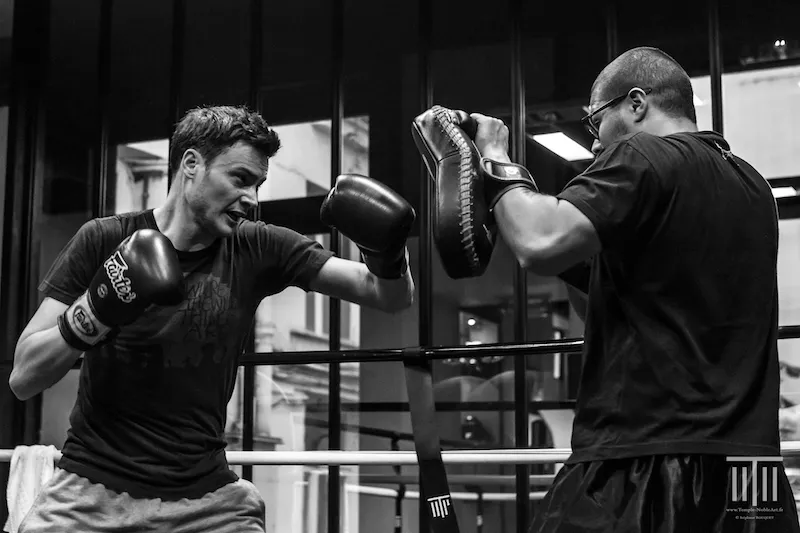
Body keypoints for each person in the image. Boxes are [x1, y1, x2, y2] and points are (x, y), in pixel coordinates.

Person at [8, 105, 416, 532]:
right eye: (240, 179)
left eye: (258, 185)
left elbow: (387, 295)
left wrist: (387, 251)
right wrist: (95, 309)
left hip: (206, 502)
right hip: (91, 491)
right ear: (191, 165)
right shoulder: (104, 238)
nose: (252, 199)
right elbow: (23, 377)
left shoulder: (257, 247)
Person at [466, 47, 800, 531]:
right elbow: (626, 294)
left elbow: (540, 241)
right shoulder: (753, 187)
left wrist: (496, 161)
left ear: (637, 103)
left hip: (645, 461)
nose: (596, 143)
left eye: (595, 121)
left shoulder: (644, 154)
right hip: (753, 475)